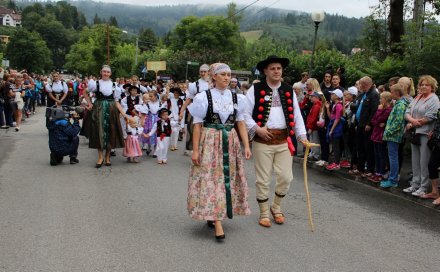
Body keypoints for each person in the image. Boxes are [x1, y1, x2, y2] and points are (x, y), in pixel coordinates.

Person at [187, 63, 251, 241]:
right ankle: (217, 221)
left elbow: (240, 123)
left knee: (225, 179)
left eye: (229, 74)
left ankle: (214, 214)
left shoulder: (237, 98)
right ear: (213, 76)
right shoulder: (203, 97)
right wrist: (195, 150)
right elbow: (197, 125)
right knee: (210, 179)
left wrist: (246, 146)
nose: (227, 77)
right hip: (209, 140)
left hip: (229, 141)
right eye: (223, 74)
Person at [244, 56, 308, 228]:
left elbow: (296, 115)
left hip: (283, 140)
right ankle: (264, 212)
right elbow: (243, 114)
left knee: (286, 177)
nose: (276, 71)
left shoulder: (288, 90)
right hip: (262, 140)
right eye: (272, 68)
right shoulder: (255, 89)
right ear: (265, 71)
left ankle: (276, 206)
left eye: (279, 68)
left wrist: (303, 137)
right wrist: (257, 129)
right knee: (263, 179)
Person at [82, 65, 127, 168]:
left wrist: (124, 114)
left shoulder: (115, 85)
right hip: (98, 109)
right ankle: (100, 157)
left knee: (111, 132)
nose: (106, 73)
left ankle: (107, 157)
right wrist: (89, 104)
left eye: (108, 72)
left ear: (110, 74)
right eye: (104, 71)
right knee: (99, 132)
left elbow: (116, 101)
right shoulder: (95, 84)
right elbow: (85, 92)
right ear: (101, 72)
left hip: (111, 109)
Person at [403, 75, 440, 197]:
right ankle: (415, 184)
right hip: (415, 133)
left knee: (424, 161)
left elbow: (431, 116)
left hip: (425, 133)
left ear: (432, 87)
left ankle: (423, 187)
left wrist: (413, 122)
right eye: (422, 84)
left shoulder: (434, 99)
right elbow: (407, 112)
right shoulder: (417, 97)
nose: (423, 86)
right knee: (415, 160)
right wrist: (412, 121)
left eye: (427, 85)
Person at [381, 83, 410, 188]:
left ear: (397, 92)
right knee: (392, 157)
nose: (391, 94)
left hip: (394, 136)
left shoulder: (401, 104)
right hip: (392, 135)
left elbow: (398, 122)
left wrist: (388, 132)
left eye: (392, 92)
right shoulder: (398, 103)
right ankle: (392, 178)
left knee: (393, 157)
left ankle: (393, 180)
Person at [180, 64, 210, 156]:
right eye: (201, 71)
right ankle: (193, 150)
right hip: (197, 110)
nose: (203, 73)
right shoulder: (195, 85)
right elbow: (189, 99)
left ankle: (206, 152)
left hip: (209, 111)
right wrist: (181, 111)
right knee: (192, 130)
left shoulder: (213, 83)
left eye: (205, 71)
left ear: (208, 72)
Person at [353, 76, 380, 177]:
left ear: (365, 84)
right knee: (360, 147)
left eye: (361, 84)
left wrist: (369, 123)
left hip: (366, 125)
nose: (360, 87)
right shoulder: (363, 94)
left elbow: (374, 111)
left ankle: (369, 169)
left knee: (368, 148)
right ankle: (360, 168)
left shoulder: (374, 95)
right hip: (360, 124)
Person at [369, 91, 393, 182]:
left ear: (386, 100)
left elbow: (379, 119)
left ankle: (381, 172)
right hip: (376, 133)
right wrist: (378, 119)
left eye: (381, 98)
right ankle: (377, 171)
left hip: (381, 135)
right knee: (376, 154)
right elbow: (374, 121)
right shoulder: (381, 108)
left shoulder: (388, 110)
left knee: (381, 154)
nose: (380, 100)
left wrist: (379, 111)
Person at [140, 90, 165, 157]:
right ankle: (149, 147)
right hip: (149, 120)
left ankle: (155, 150)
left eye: (151, 96)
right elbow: (143, 113)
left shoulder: (160, 103)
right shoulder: (147, 104)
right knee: (149, 133)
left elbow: (163, 112)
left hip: (157, 120)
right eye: (149, 96)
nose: (150, 98)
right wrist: (142, 121)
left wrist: (163, 120)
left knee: (157, 134)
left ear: (156, 96)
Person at [325, 89, 345, 171]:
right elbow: (331, 117)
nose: (331, 95)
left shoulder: (339, 105)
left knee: (336, 146)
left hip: (336, 128)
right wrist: (327, 108)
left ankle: (337, 163)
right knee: (334, 146)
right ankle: (335, 162)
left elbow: (337, 119)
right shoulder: (334, 105)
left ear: (336, 96)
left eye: (332, 94)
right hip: (333, 126)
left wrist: (331, 130)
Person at [305, 91, 322, 161]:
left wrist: (310, 128)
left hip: (314, 128)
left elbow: (314, 118)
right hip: (312, 127)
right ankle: (312, 153)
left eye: (312, 97)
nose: (310, 98)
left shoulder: (317, 106)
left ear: (317, 98)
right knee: (312, 141)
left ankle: (316, 155)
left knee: (314, 141)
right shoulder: (315, 105)